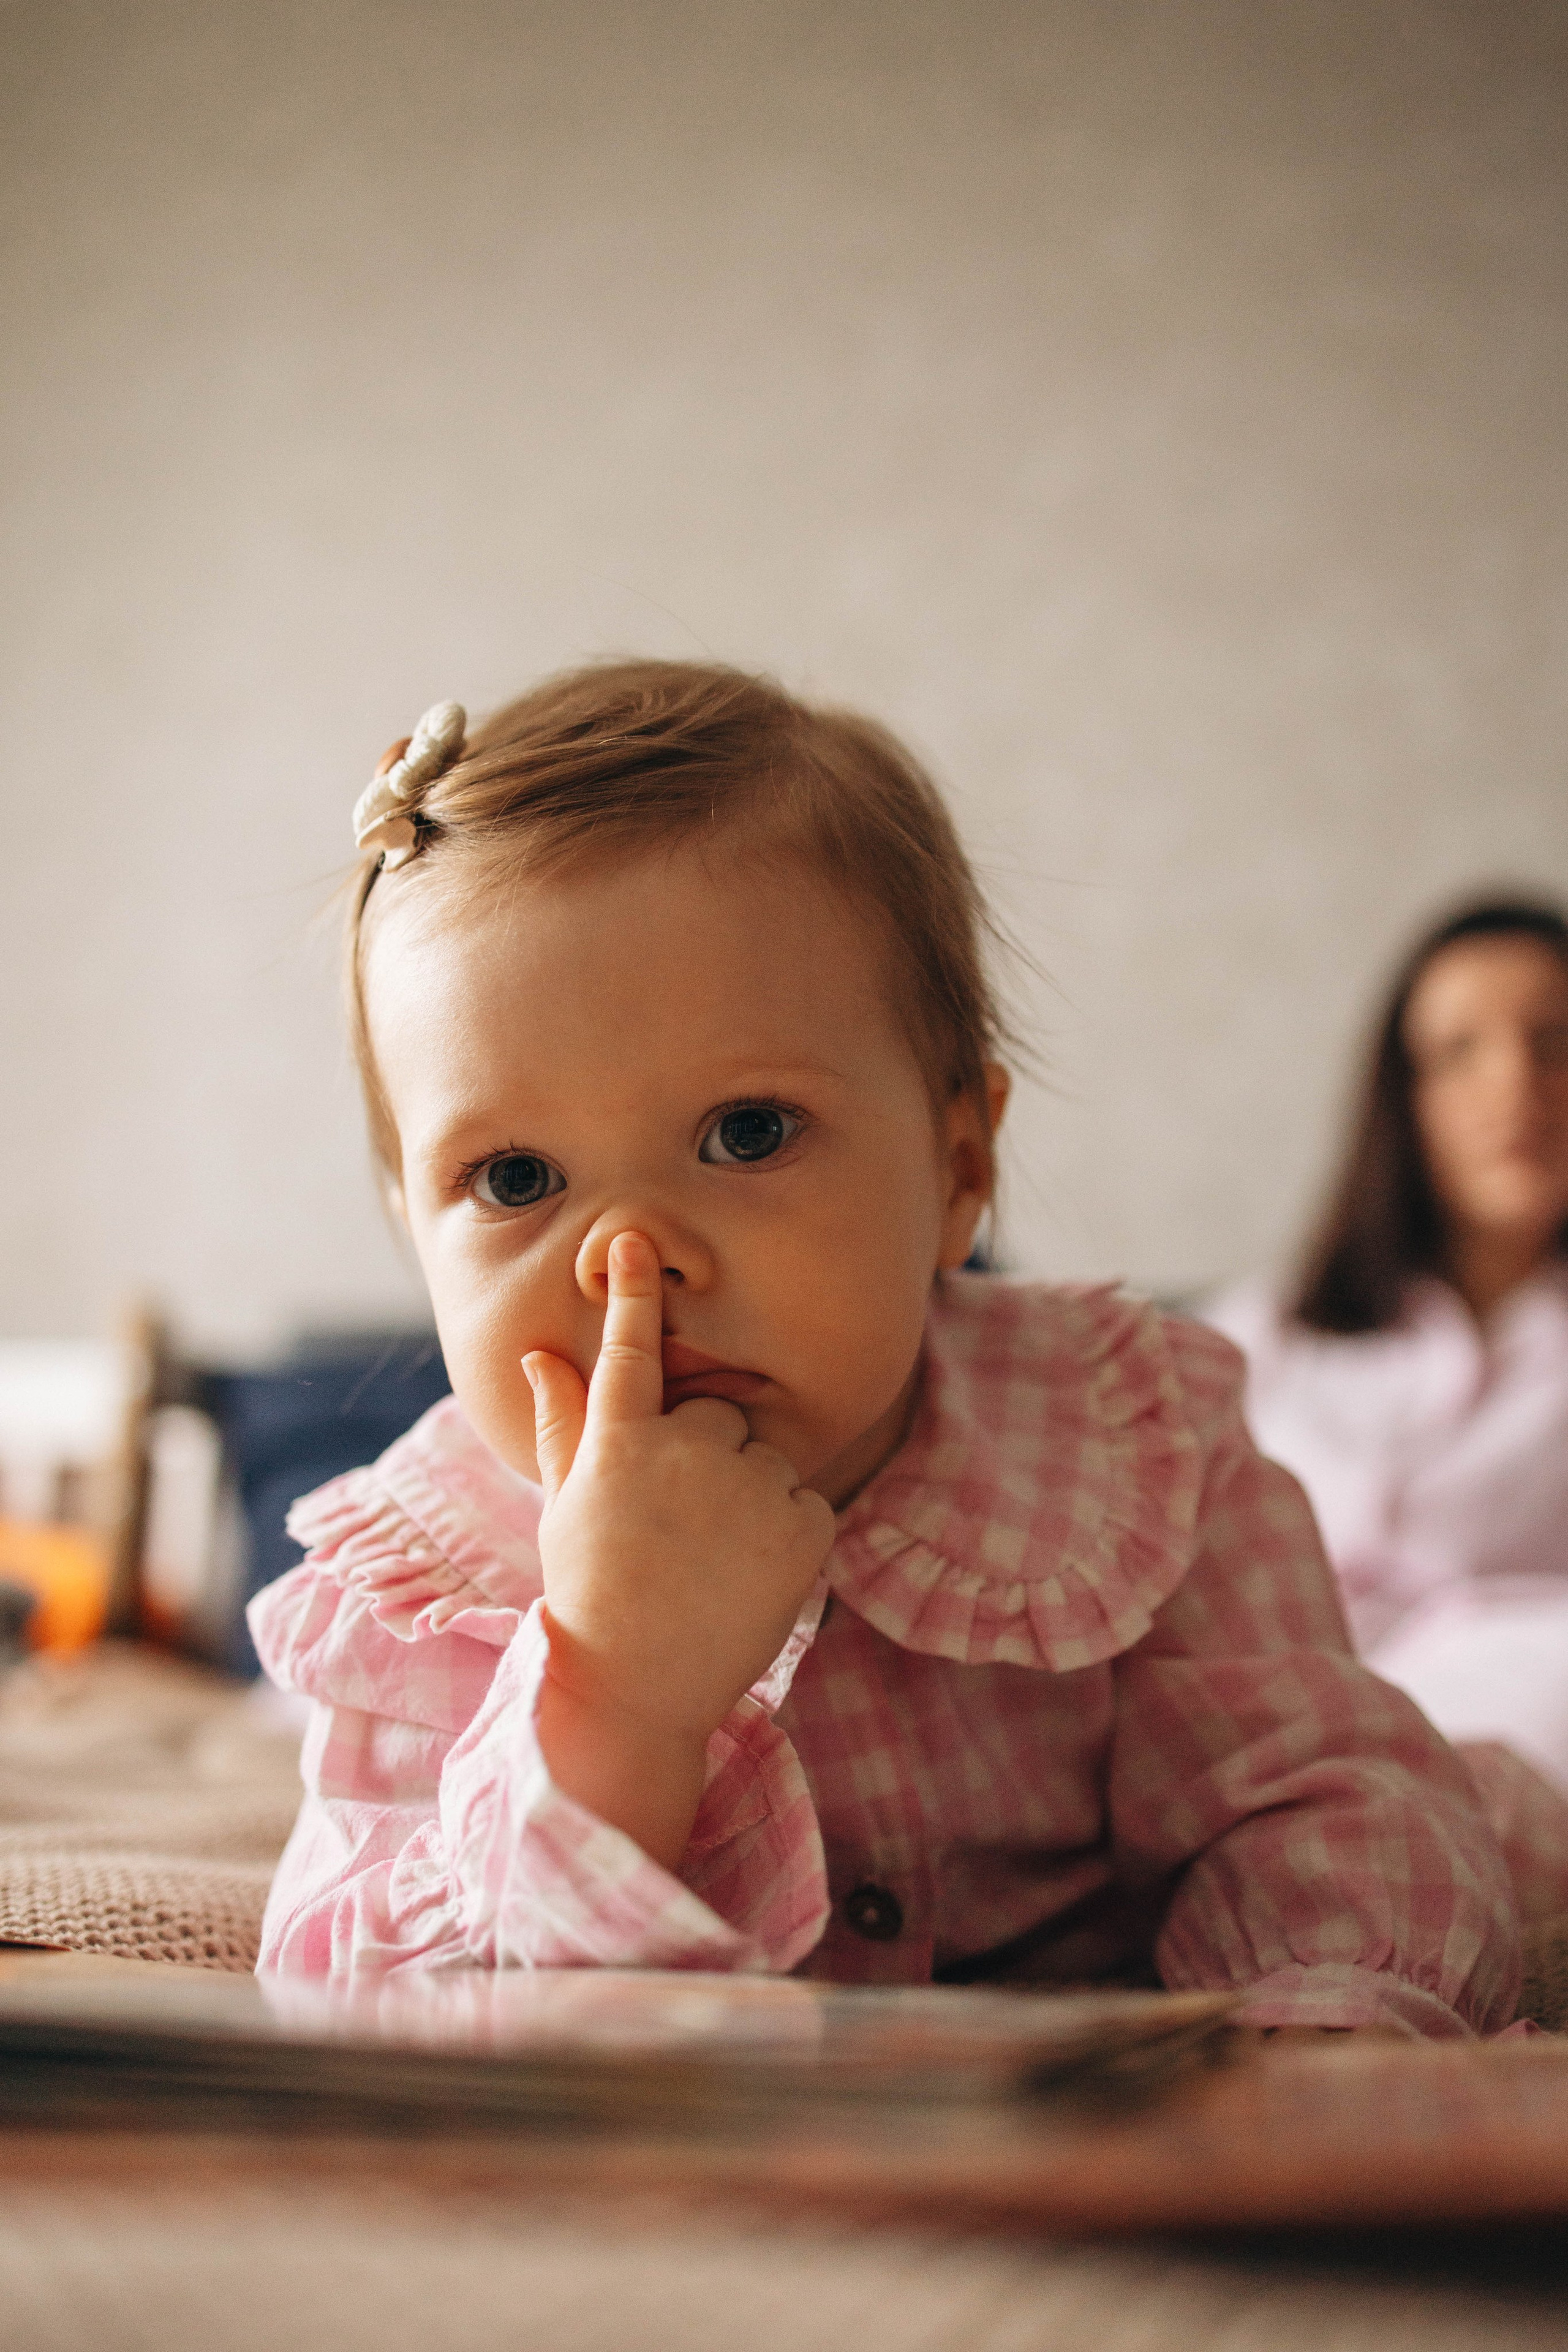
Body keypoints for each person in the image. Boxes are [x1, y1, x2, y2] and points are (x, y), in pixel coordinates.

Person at [249, 665, 1523, 2035]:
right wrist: (614, 1697)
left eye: (746, 1135)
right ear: (413, 1230)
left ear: (958, 1169)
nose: (634, 1264)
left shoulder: (1126, 1437)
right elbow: (382, 2011)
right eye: (514, 1179)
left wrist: (1313, 2041)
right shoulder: (427, 1584)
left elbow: (1313, 1810)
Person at [1207, 900, 1568, 1848]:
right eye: (1459, 1052)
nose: (1517, 1086)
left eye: (1553, 1042)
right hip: (1249, 1724)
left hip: (1509, 1740)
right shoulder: (1275, 1328)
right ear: (1402, 1100)